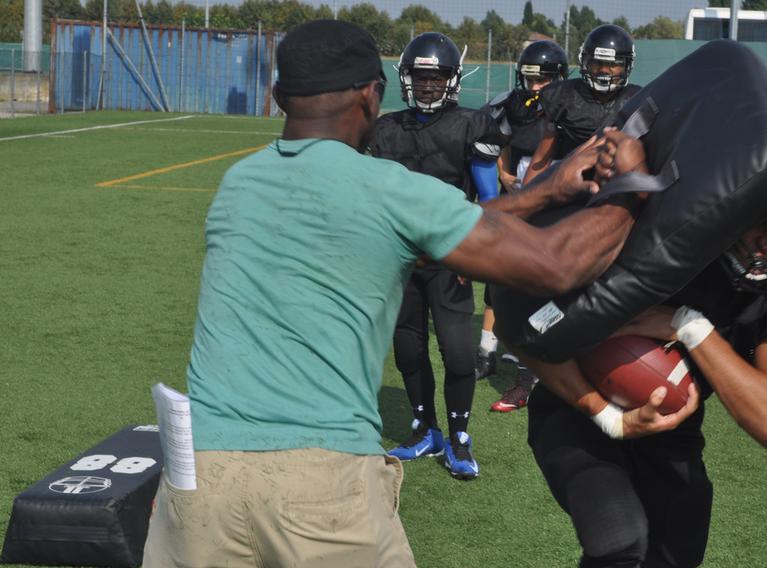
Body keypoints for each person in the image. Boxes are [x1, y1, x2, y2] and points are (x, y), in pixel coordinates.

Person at [142, 20, 649, 567]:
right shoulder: (386, 188)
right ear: (370, 93)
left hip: (195, 476)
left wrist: (543, 190)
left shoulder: (237, 184)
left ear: (278, 97)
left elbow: (423, 242)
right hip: (318, 477)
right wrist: (634, 186)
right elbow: (560, 264)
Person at [512, 112, 767, 568]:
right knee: (619, 540)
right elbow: (525, 325)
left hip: (671, 431)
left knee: (677, 552)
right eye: (763, 221)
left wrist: (687, 325)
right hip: (578, 408)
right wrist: (607, 416)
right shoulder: (653, 229)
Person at [367, 32, 505, 479]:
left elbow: (488, 199)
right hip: (400, 259)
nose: (427, 86)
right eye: (420, 77)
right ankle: (425, 429)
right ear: (407, 79)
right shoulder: (386, 129)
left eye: (436, 77)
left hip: (449, 258)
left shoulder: (471, 125)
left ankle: (460, 436)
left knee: (459, 352)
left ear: (452, 80)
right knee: (407, 348)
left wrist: (468, 253)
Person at [477, 40, 569, 413]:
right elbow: (497, 143)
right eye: (531, 79)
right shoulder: (510, 104)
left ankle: (530, 367)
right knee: (497, 275)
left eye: (543, 80)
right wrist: (504, 174)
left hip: (551, 204)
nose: (536, 87)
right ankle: (486, 351)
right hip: (515, 200)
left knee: (539, 282)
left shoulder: (569, 106)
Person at [523, 24, 641, 186]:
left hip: (617, 185)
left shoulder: (637, 99)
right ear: (585, 62)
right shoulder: (562, 96)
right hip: (571, 182)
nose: (604, 70)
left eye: (612, 64)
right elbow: (542, 157)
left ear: (626, 65)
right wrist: (527, 195)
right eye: (598, 63)